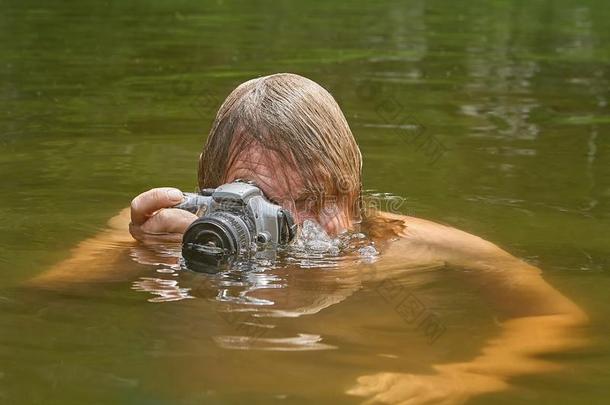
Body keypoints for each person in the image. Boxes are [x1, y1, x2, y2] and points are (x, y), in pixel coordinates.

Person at [30, 73, 587, 404]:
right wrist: (135, 252)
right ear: (209, 190)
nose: (295, 225)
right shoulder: (163, 232)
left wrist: (465, 377)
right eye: (257, 198)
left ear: (352, 191)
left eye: (316, 201)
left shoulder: (417, 247)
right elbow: (43, 297)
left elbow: (556, 316)